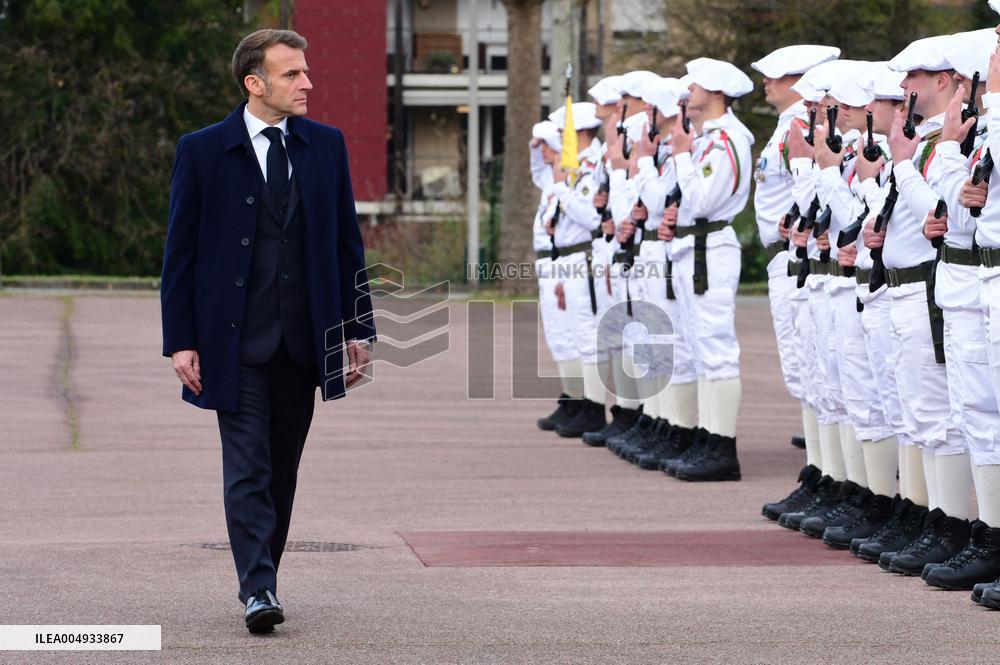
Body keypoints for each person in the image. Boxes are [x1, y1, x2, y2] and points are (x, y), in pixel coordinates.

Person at [160, 29, 376, 633]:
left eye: (304, 72)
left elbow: (345, 244)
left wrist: (358, 329)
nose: (306, 83)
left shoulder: (325, 147)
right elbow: (179, 254)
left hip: (304, 342)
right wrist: (180, 339)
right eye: (292, 75)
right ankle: (257, 588)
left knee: (282, 470)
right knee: (248, 467)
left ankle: (265, 575)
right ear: (255, 83)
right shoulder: (203, 151)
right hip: (233, 344)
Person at [750, 45, 841, 517]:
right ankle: (821, 475)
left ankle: (830, 480)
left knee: (816, 371)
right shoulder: (787, 128)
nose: (767, 82)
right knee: (805, 371)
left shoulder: (801, 127)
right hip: (786, 257)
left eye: (776, 76)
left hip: (801, 257)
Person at [658, 58, 754, 481]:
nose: (688, 91)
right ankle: (707, 436)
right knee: (697, 346)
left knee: (714, 346)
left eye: (695, 85)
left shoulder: (727, 140)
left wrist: (680, 156)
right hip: (694, 245)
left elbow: (702, 201)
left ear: (715, 92)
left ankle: (721, 446)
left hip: (710, 247)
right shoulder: (708, 139)